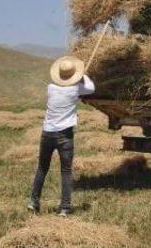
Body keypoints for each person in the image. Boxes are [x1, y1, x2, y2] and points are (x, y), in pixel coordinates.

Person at [28, 56, 95, 216]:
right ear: (74, 75)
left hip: (47, 134)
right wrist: (83, 75)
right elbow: (91, 88)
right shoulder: (76, 89)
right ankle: (64, 208)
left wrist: (75, 78)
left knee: (42, 168)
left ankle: (33, 202)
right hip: (64, 135)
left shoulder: (51, 88)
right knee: (66, 171)